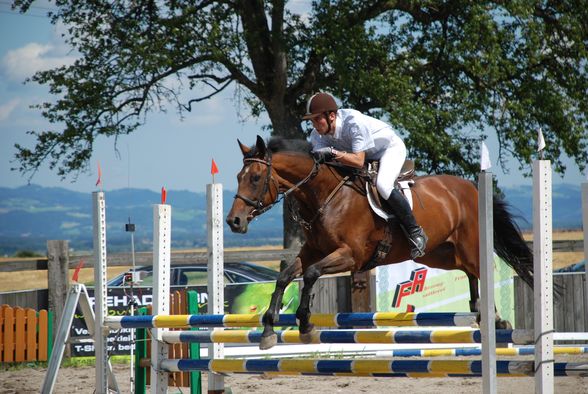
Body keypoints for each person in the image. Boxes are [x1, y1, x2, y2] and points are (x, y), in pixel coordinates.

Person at [302, 92, 427, 259]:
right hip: (362, 156)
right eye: (312, 120)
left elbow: (358, 161)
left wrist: (332, 152)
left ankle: (415, 231)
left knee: (383, 185)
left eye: (318, 119)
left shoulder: (353, 121)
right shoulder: (317, 135)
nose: (315, 124)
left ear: (331, 115)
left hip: (388, 150)